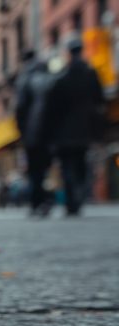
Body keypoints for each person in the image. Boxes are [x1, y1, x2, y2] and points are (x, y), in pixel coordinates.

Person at [46, 35, 106, 217]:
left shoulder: (61, 77)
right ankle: (78, 196)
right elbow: (100, 100)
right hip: (84, 129)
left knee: (67, 167)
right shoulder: (90, 74)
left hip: (64, 132)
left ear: (69, 53)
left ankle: (72, 199)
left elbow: (53, 108)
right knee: (80, 164)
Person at [15, 49, 54, 217]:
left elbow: (20, 107)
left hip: (32, 132)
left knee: (34, 170)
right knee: (44, 168)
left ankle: (36, 202)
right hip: (48, 131)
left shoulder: (24, 79)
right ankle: (44, 200)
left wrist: (21, 129)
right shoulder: (49, 77)